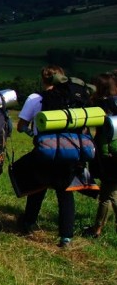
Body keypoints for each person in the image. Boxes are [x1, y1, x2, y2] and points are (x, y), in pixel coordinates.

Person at [15, 66, 85, 248]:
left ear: (43, 79)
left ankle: (28, 223)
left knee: (37, 187)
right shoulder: (73, 99)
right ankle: (66, 237)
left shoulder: (35, 98)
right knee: (66, 194)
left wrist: (33, 134)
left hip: (45, 150)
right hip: (70, 151)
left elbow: (21, 125)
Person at [85, 72, 117, 238]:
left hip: (110, 157)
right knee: (111, 192)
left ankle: (96, 229)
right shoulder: (115, 104)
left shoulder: (101, 108)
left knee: (107, 195)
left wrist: (103, 154)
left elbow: (103, 136)